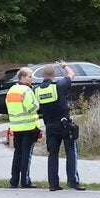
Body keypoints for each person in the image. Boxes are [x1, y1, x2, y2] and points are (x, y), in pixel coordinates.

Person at [36, 61, 85, 191]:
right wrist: (64, 65)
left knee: (52, 154)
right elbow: (71, 74)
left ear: (42, 75)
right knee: (71, 152)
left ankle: (53, 184)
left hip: (50, 125)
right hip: (64, 124)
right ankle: (73, 181)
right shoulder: (58, 86)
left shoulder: (37, 90)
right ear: (54, 75)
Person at [7, 67, 39, 189]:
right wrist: (37, 104)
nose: (32, 79)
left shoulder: (11, 90)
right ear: (22, 77)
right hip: (28, 126)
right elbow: (32, 107)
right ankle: (25, 181)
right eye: (30, 76)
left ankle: (14, 181)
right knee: (26, 155)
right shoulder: (26, 90)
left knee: (17, 154)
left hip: (16, 127)